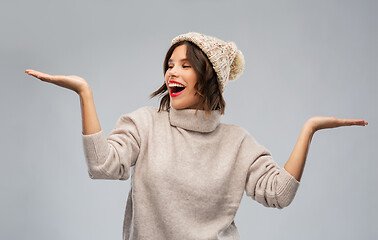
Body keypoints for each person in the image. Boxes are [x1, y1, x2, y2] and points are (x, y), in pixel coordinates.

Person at [25, 32, 368, 240]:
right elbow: (102, 165)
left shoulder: (238, 144)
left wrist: (308, 129)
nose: (172, 71)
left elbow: (279, 194)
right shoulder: (144, 125)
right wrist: (85, 93)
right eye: (170, 64)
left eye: (186, 65)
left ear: (209, 79)